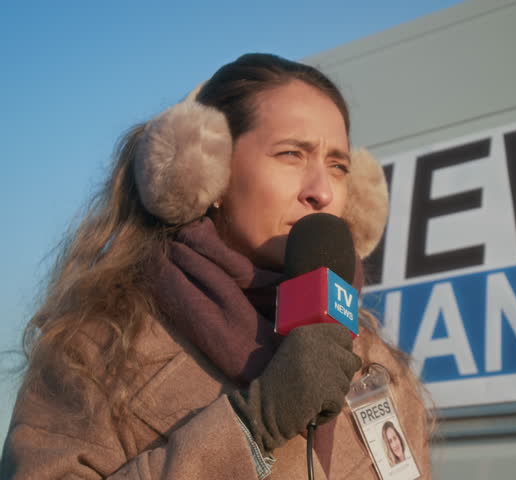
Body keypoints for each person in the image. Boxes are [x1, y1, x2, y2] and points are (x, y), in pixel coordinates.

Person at [0, 54, 431, 479]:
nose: (321, 191)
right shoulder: (96, 349)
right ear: (210, 172)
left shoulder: (378, 365)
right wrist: (253, 426)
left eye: (337, 166)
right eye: (291, 154)